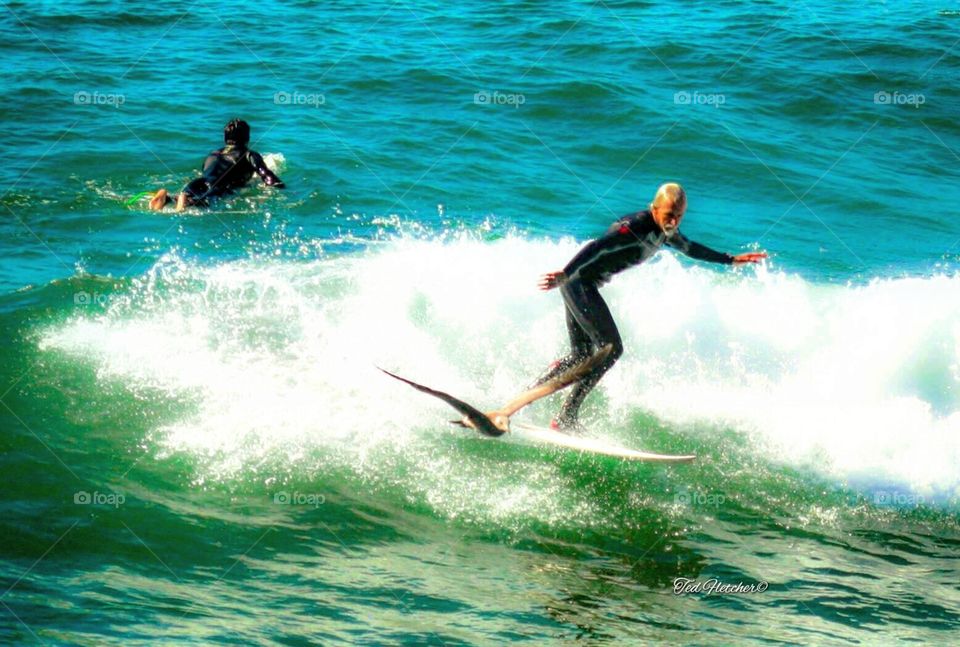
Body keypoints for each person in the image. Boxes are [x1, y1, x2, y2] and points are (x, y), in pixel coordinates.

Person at [533, 182, 767, 431]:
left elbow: (689, 247)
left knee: (581, 355)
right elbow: (597, 246)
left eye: (679, 216)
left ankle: (526, 396)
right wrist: (566, 272)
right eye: (669, 215)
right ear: (654, 209)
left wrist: (729, 260)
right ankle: (566, 417)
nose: (674, 221)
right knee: (611, 349)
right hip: (578, 283)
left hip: (581, 285)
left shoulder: (666, 231)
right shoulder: (633, 227)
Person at [148, 119, 285, 211]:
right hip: (219, 186)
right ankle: (185, 201)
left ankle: (167, 198)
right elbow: (267, 175)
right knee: (207, 203)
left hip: (198, 182)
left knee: (192, 196)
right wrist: (281, 188)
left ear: (226, 138)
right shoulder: (249, 155)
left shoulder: (212, 154)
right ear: (247, 138)